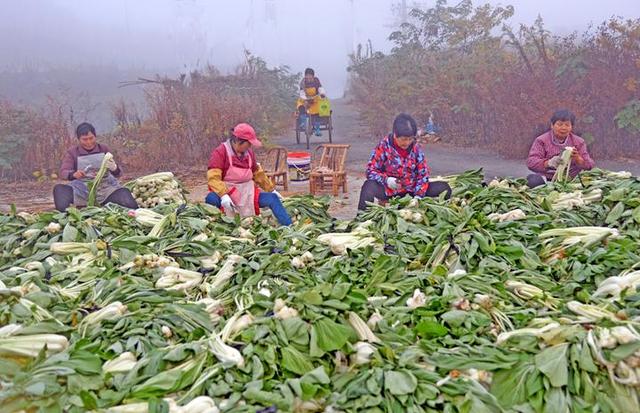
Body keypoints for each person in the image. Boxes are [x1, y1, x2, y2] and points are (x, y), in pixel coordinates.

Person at [357, 113, 452, 211]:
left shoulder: (416, 149)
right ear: (395, 135)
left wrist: (418, 196)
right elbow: (370, 171)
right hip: (390, 190)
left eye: (410, 139)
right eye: (404, 139)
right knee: (368, 186)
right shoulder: (384, 146)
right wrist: (387, 180)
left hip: (412, 190)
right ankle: (361, 220)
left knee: (444, 188)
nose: (407, 142)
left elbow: (423, 174)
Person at [205, 123, 292, 226]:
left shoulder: (249, 153)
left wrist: (271, 189)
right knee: (211, 198)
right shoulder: (221, 152)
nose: (250, 146)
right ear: (238, 141)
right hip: (228, 192)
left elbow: (257, 173)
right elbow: (213, 178)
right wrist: (223, 195)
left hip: (247, 193)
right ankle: (215, 226)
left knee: (272, 198)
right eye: (248, 143)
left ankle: (289, 227)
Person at [53, 122, 137, 212]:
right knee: (59, 190)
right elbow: (63, 172)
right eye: (84, 139)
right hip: (82, 190)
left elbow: (118, 173)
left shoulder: (104, 149)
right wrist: (73, 174)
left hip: (105, 189)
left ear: (95, 136)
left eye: (91, 138)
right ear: (78, 139)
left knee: (125, 195)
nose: (89, 142)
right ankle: (66, 216)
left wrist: (114, 168)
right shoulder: (72, 152)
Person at [526, 109, 595, 188]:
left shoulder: (579, 142)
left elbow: (590, 165)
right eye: (560, 124)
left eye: (567, 125)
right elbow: (531, 162)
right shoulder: (541, 140)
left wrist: (578, 158)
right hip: (548, 178)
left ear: (571, 127)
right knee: (532, 181)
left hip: (572, 178)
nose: (563, 128)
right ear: (552, 125)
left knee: (592, 183)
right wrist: (549, 163)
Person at [296, 68, 326, 137]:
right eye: (307, 75)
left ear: (313, 76)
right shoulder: (303, 82)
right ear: (305, 76)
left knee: (318, 109)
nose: (308, 77)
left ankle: (317, 129)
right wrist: (305, 99)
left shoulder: (316, 81)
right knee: (301, 106)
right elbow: (302, 93)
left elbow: (320, 89)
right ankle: (304, 123)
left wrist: (322, 93)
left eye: (310, 75)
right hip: (305, 99)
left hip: (314, 99)